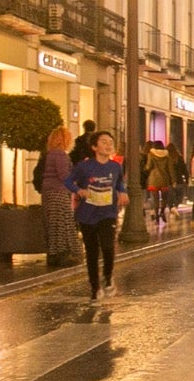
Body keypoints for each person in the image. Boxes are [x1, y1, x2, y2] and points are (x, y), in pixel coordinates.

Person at [65, 130, 128, 300]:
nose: (108, 145)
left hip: (107, 213)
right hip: (87, 214)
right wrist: (78, 190)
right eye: (104, 142)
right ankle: (95, 287)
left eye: (110, 142)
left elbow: (120, 183)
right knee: (92, 252)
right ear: (94, 147)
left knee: (108, 247)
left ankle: (107, 277)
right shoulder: (84, 167)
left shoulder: (115, 167)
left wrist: (123, 193)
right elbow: (68, 181)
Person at [40, 125, 81, 268]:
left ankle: (53, 254)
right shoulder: (60, 155)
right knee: (62, 222)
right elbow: (64, 175)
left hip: (49, 192)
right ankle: (63, 254)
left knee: (53, 224)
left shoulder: (50, 154)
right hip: (59, 192)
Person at [144, 141, 173, 223]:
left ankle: (156, 216)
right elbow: (170, 169)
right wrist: (173, 180)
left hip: (153, 179)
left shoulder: (151, 154)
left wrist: (145, 169)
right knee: (164, 198)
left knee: (155, 199)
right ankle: (162, 212)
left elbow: (148, 166)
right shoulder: (167, 155)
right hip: (164, 179)